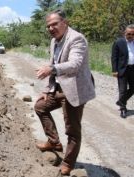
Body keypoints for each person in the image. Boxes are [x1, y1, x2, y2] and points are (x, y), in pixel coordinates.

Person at [34, 10, 95, 175]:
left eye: (54, 24)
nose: (51, 28)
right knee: (40, 107)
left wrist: (51, 69)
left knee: (72, 130)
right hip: (58, 88)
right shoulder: (54, 41)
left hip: (74, 89)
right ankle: (54, 142)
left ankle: (68, 162)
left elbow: (74, 64)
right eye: (48, 26)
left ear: (64, 23)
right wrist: (47, 89)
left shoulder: (77, 38)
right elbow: (52, 63)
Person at [111, 24, 134, 118]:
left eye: (133, 34)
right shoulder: (118, 42)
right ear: (125, 33)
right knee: (123, 90)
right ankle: (123, 109)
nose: (131, 36)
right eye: (129, 34)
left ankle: (120, 101)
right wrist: (114, 70)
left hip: (133, 69)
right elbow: (114, 57)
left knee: (133, 88)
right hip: (122, 70)